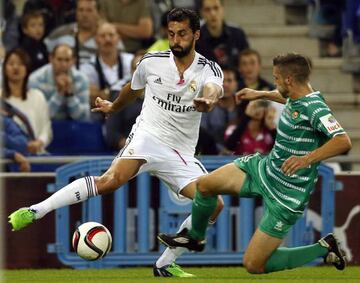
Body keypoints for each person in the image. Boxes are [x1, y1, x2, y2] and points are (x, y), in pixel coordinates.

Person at [8, 8, 224, 278]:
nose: (176, 40)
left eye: (182, 34)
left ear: (196, 34)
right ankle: (35, 210)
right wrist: (113, 106)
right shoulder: (152, 62)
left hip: (180, 151)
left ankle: (164, 264)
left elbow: (214, 89)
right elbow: (132, 90)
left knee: (213, 204)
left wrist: (209, 99)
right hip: (148, 136)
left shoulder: (208, 69)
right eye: (171, 34)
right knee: (110, 181)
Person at [158, 53, 352, 274]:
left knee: (254, 264)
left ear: (289, 80)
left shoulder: (316, 108)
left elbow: (342, 141)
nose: (275, 82)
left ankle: (323, 248)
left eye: (277, 78)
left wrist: (306, 159)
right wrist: (259, 94)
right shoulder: (297, 95)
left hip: (287, 195)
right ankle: (194, 239)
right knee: (205, 185)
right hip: (264, 170)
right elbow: (285, 97)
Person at [1, 48, 52, 154]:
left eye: (20, 64)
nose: (15, 67)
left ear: (27, 68)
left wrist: (40, 142)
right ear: (4, 68)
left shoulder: (37, 96)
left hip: (36, 154)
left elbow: (46, 128)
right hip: (8, 158)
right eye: (11, 63)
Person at [80, 22, 134, 114]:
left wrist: (105, 93)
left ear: (118, 38)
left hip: (128, 110)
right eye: (103, 36)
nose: (107, 39)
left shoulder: (131, 61)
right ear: (96, 40)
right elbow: (90, 97)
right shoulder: (87, 67)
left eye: (111, 35)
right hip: (99, 114)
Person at [28, 44, 90, 121]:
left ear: (73, 61)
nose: (63, 64)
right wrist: (59, 93)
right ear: (51, 59)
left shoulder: (81, 79)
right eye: (59, 60)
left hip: (73, 128)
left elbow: (83, 117)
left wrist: (70, 95)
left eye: (67, 60)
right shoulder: (36, 79)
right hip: (46, 127)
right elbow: (39, 117)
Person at [45, 0, 102, 67]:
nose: (84, 15)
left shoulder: (106, 37)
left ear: (98, 13)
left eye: (89, 10)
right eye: (81, 10)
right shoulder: (59, 34)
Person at [196, 0, 249, 68]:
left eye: (216, 8)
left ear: (222, 9)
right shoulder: (195, 37)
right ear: (202, 13)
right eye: (207, 10)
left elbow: (247, 64)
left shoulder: (237, 34)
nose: (213, 13)